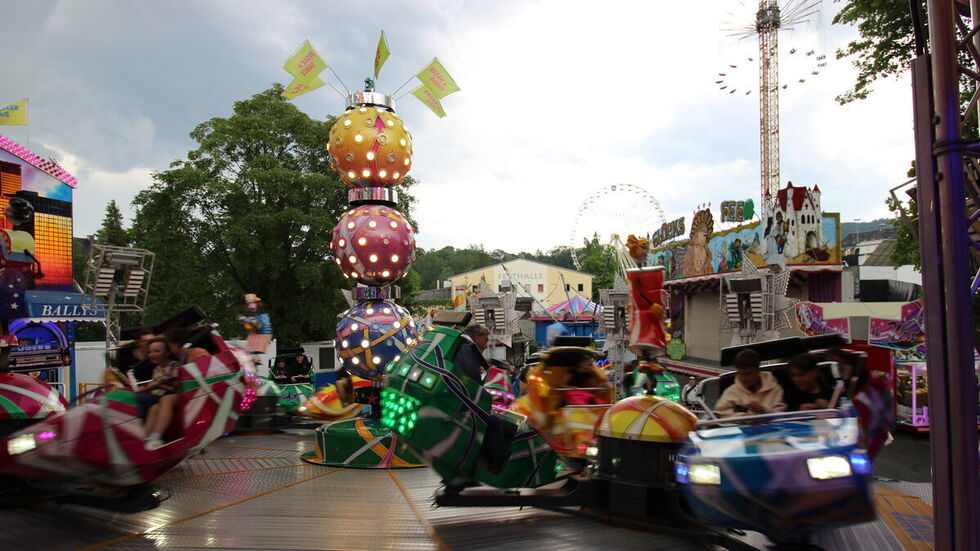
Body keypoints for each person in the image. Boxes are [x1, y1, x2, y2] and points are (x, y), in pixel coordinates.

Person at [715, 349, 786, 417]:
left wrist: (763, 410)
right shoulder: (731, 392)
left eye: (747, 374)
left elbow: (781, 416)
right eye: (739, 374)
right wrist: (744, 418)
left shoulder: (775, 389)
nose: (743, 378)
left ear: (758, 371)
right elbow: (721, 414)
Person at [140, 337, 182, 449]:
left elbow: (174, 381)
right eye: (150, 352)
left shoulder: (174, 365)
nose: (152, 354)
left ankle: (155, 437)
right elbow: (154, 385)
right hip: (157, 398)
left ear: (167, 352)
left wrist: (159, 383)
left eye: (157, 351)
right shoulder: (156, 369)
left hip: (170, 395)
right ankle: (147, 439)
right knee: (154, 408)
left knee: (151, 401)